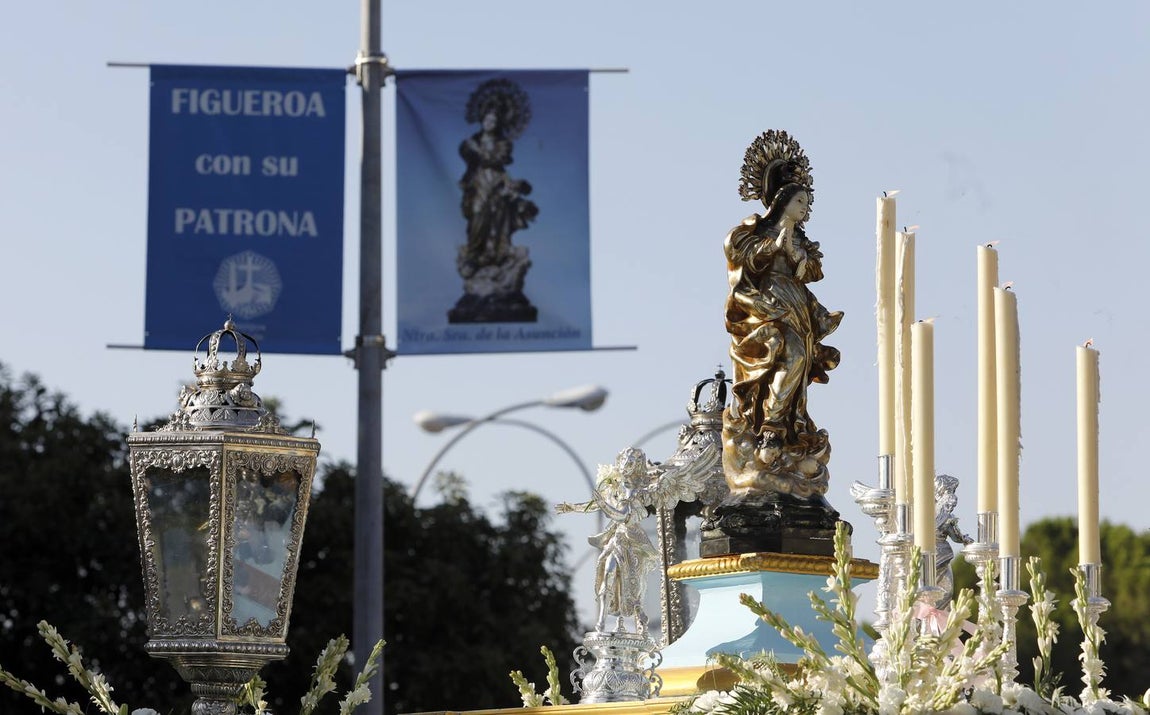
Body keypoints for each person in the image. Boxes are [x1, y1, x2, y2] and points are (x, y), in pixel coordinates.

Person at [722, 130, 842, 498]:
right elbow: (743, 262)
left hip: (798, 307)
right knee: (791, 357)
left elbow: (813, 272)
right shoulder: (753, 231)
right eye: (801, 201)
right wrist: (777, 243)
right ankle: (770, 429)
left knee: (800, 365)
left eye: (808, 203)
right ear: (784, 201)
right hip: (765, 307)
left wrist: (797, 255)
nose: (806, 208)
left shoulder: (802, 240)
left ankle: (787, 433)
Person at [457, 80, 538, 273]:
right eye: (487, 119)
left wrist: (479, 152)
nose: (489, 123)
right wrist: (473, 149)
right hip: (477, 182)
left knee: (495, 217)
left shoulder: (503, 143)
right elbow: (465, 152)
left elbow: (498, 159)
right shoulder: (473, 141)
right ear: (482, 119)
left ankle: (492, 254)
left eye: (493, 121)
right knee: (476, 214)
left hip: (495, 181)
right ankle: (473, 253)